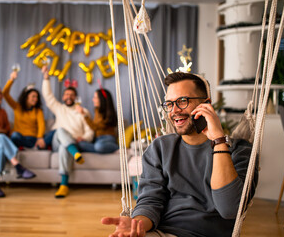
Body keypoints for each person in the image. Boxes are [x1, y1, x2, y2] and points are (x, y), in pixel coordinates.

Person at [101, 72, 259, 237]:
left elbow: (229, 209)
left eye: (182, 101)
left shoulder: (239, 150)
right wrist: (137, 224)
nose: (174, 111)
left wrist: (218, 141)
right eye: (169, 104)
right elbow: (151, 201)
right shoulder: (160, 148)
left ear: (207, 105)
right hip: (161, 233)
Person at [41, 65, 94, 198]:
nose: (68, 96)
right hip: (57, 142)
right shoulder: (59, 108)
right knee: (59, 130)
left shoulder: (83, 111)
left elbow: (90, 132)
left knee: (65, 148)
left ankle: (63, 185)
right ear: (63, 97)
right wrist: (46, 78)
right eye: (66, 94)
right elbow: (48, 96)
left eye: (71, 95)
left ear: (76, 97)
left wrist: (84, 138)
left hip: (73, 142)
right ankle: (75, 153)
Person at [2, 70, 54, 149]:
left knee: (54, 132)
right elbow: (5, 94)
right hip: (19, 137)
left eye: (37, 97)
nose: (36, 99)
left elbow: (41, 125)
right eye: (33, 96)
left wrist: (40, 137)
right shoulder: (16, 106)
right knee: (15, 135)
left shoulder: (38, 111)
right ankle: (32, 147)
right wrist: (11, 79)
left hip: (32, 139)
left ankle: (34, 145)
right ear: (26, 97)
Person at [75, 88, 119, 153]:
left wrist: (83, 114)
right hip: (97, 140)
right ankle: (100, 150)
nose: (93, 99)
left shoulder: (108, 113)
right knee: (80, 144)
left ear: (102, 100)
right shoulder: (97, 110)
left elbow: (95, 127)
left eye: (95, 98)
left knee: (99, 146)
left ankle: (117, 147)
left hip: (107, 139)